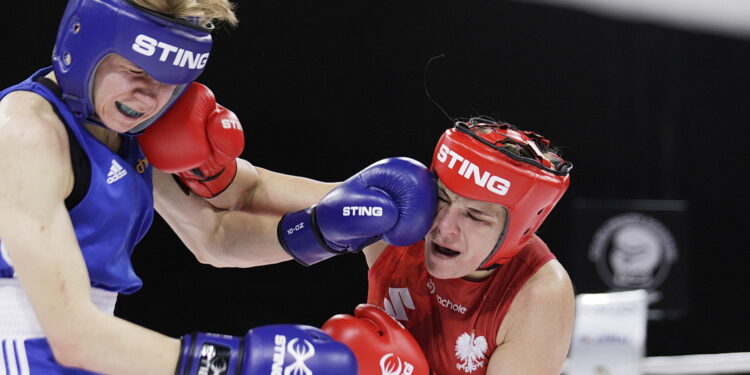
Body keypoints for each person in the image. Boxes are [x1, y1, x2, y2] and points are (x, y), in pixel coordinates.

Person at [0, 0, 437, 373]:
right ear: (85, 40)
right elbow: (72, 335)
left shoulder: (128, 130)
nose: (149, 97)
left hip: (91, 350)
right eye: (136, 70)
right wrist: (242, 361)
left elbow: (214, 237)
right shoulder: (27, 134)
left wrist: (326, 226)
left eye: (170, 81)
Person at [362, 119, 576, 374]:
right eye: (441, 198)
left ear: (519, 231)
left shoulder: (538, 293)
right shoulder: (399, 221)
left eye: (475, 215)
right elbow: (307, 208)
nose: (444, 226)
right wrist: (316, 230)